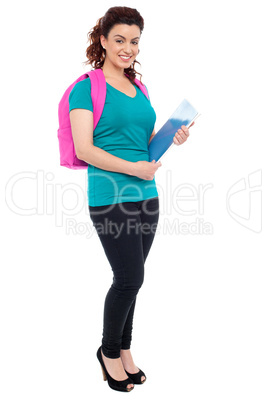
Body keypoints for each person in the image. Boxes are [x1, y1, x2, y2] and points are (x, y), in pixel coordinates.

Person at [69, 6, 191, 393]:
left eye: (134, 41)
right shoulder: (86, 87)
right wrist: (134, 168)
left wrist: (170, 137)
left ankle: (124, 349)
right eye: (119, 40)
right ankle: (107, 353)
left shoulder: (139, 87)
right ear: (103, 40)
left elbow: (141, 141)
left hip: (147, 196)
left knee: (132, 281)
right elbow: (85, 149)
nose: (128, 48)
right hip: (111, 196)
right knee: (129, 278)